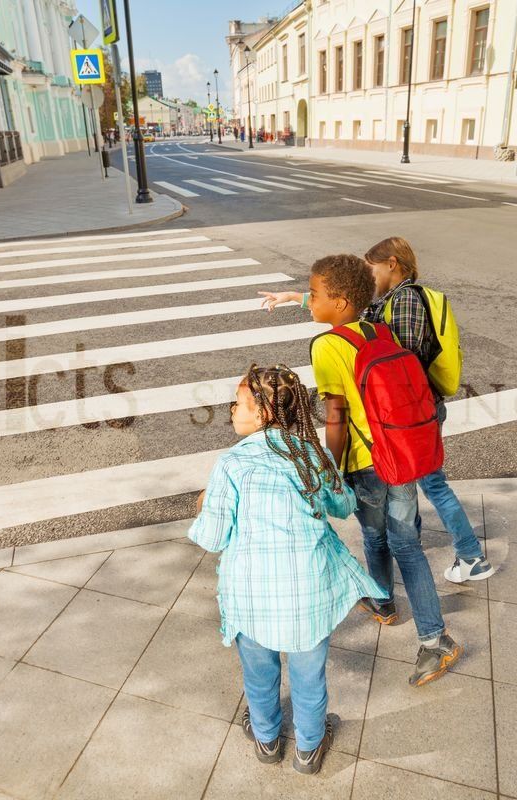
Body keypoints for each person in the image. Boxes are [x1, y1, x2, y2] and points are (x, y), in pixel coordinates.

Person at [189, 364, 387, 775]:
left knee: (259, 675)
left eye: (238, 403)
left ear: (262, 412)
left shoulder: (233, 464)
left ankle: (266, 740)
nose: (232, 410)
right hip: (308, 593)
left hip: (251, 595)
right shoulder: (310, 454)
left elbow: (211, 537)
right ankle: (309, 749)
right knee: (309, 677)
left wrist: (203, 504)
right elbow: (343, 505)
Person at [260, 239, 494, 584]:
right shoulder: (387, 302)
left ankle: (470, 554)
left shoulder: (406, 301)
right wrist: (298, 298)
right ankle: (420, 544)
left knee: (432, 484)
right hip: (405, 417)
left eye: (371, 268)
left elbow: (404, 363)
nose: (368, 276)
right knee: (418, 485)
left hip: (411, 416)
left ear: (392, 264)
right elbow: (353, 311)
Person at [304, 254, 462, 687]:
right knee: (398, 540)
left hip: (365, 464)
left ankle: (433, 637)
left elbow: (335, 416)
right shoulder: (378, 327)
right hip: (401, 454)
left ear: (338, 302)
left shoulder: (326, 346)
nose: (309, 301)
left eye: (314, 294)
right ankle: (383, 603)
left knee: (384, 538)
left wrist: (329, 468)